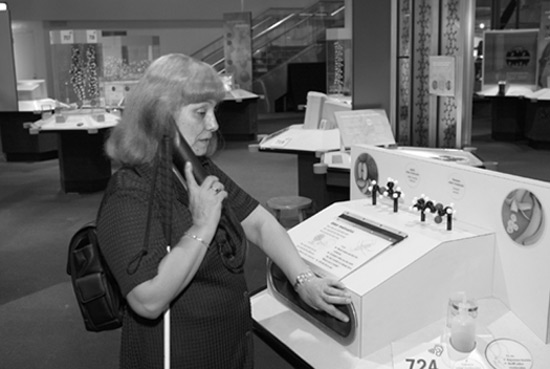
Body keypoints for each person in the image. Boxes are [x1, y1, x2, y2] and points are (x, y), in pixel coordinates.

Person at [96, 53, 351, 369]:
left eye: (214, 111)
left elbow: (258, 223)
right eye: (201, 112)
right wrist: (201, 228)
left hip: (228, 348)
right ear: (161, 118)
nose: (214, 124)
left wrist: (303, 280)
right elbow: (147, 299)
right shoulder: (130, 189)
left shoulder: (195, 166)